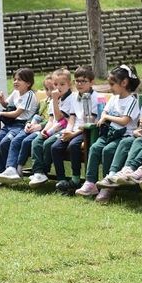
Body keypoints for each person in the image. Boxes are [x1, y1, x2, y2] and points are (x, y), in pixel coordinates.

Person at [94, 71, 142, 202]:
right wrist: (137, 131)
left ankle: (128, 171)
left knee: (140, 143)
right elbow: (141, 126)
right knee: (126, 142)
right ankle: (113, 176)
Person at [75, 64, 140, 198]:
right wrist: (104, 114)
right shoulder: (114, 98)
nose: (110, 88)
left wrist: (106, 117)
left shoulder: (131, 101)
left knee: (108, 150)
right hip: (109, 133)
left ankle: (107, 186)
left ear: (124, 83)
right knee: (95, 148)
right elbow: (105, 109)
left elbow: (124, 121)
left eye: (112, 84)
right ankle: (90, 183)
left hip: (123, 136)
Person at [0, 73, 53, 185]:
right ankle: (4, 173)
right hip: (29, 126)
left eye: (19, 80)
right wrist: (30, 123)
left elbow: (53, 120)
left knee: (17, 142)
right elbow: (36, 115)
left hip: (35, 128)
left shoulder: (33, 96)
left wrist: (37, 125)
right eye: (47, 89)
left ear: (28, 83)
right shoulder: (43, 102)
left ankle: (17, 169)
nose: (49, 92)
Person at [0, 68, 39, 189]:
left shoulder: (29, 95)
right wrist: (2, 101)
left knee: (5, 143)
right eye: (14, 79)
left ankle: (9, 170)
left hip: (22, 125)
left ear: (28, 83)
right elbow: (8, 105)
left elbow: (16, 113)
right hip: (10, 124)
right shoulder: (16, 92)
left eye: (19, 80)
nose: (15, 82)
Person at [51, 66, 99, 194]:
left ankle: (75, 179)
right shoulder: (74, 97)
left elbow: (91, 122)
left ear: (91, 82)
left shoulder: (95, 97)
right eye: (77, 81)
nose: (80, 84)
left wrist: (72, 134)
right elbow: (72, 117)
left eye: (84, 81)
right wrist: (67, 131)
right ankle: (61, 181)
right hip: (73, 130)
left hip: (88, 131)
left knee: (73, 145)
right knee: (55, 147)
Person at [28, 68, 74, 187]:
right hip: (54, 128)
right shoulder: (55, 98)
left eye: (62, 84)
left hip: (65, 129)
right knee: (37, 141)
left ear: (69, 84)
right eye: (56, 84)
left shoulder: (70, 98)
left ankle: (44, 170)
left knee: (48, 143)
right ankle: (38, 172)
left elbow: (60, 119)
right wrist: (45, 130)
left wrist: (54, 100)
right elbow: (51, 119)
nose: (58, 87)